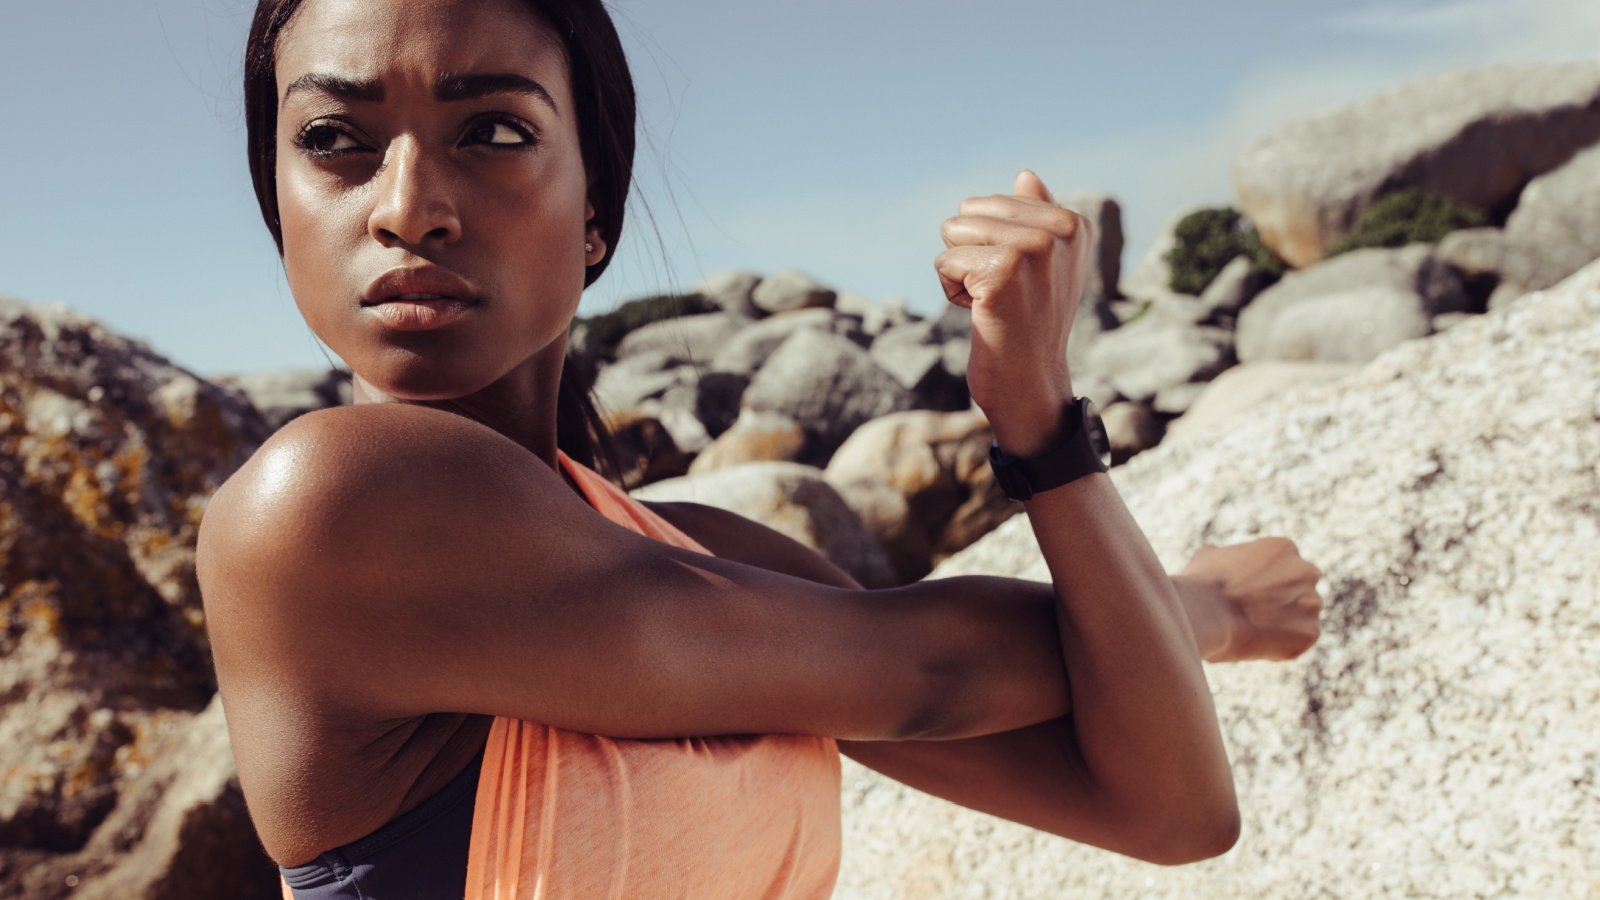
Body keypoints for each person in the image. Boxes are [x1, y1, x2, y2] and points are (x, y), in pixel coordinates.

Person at [196, 0, 1325, 897]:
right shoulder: (325, 506)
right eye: (333, 140)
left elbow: (1168, 811)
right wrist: (1204, 609)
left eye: (492, 130)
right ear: (277, 201)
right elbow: (940, 673)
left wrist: (1036, 413)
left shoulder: (704, 553)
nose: (408, 206)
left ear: (597, 211)